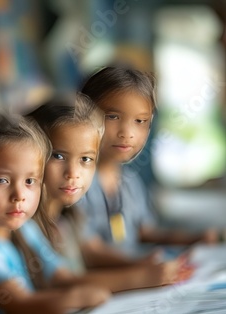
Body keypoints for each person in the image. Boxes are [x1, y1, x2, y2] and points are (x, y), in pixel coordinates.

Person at [0, 115, 111, 314]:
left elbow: (63, 279)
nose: (19, 196)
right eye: (2, 180)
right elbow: (23, 305)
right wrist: (80, 296)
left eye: (30, 181)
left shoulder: (26, 228)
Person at [29, 93, 193, 293]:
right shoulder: (24, 224)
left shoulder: (69, 217)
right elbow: (60, 283)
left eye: (86, 159)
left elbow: (87, 254)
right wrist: (141, 276)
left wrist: (142, 266)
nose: (73, 174)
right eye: (58, 156)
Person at [78, 66, 218, 260]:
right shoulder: (75, 182)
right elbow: (87, 252)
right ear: (83, 114)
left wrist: (192, 239)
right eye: (112, 117)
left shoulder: (129, 183)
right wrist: (141, 268)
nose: (127, 133)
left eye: (140, 121)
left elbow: (144, 232)